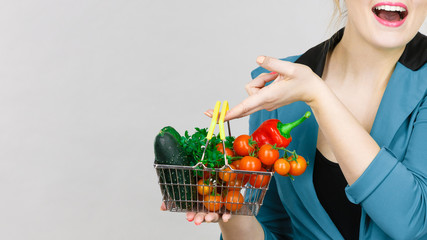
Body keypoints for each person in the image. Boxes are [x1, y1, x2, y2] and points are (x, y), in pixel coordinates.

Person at [162, 0, 427, 239]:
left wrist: (319, 96)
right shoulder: (281, 88)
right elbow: (276, 229)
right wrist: (229, 208)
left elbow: (412, 222)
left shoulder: (305, 86)